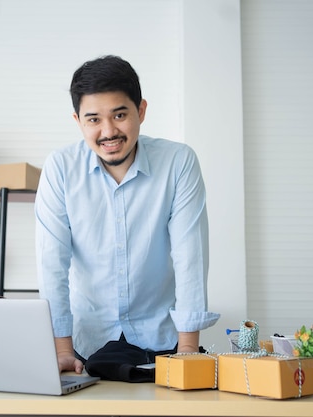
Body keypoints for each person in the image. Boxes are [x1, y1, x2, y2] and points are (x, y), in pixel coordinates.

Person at [35, 55, 219, 380]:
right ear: (78, 121)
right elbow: (53, 265)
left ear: (141, 111)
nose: (109, 131)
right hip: (82, 345)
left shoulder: (178, 163)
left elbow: (191, 257)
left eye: (120, 115)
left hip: (161, 343)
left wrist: (188, 349)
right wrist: (61, 350)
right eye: (93, 119)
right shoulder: (60, 168)